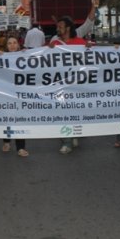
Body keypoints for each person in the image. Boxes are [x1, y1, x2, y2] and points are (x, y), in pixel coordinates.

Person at [50, 16, 88, 154]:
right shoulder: (54, 43)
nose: (57, 28)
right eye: (57, 26)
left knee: (75, 111)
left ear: (68, 28)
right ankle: (67, 142)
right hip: (60, 86)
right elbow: (39, 57)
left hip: (77, 85)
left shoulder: (79, 42)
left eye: (60, 26)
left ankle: (74, 133)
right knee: (63, 112)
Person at [0, 35, 29, 157]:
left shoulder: (24, 56)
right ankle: (6, 141)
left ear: (18, 45)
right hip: (6, 94)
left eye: (14, 42)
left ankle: (20, 148)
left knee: (19, 120)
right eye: (9, 43)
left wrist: (28, 55)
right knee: (6, 118)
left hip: (19, 95)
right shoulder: (1, 57)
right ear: (6, 46)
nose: (12, 45)